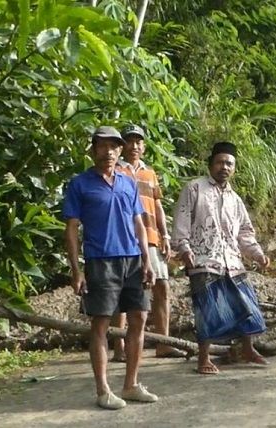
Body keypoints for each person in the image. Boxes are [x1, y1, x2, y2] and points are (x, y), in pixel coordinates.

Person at [63, 125, 159, 409]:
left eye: (114, 146)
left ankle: (130, 384)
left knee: (139, 318)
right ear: (93, 150)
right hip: (100, 260)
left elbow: (138, 223)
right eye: (103, 146)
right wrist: (76, 270)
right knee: (101, 324)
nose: (109, 151)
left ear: (120, 151)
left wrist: (146, 259)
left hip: (132, 259)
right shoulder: (80, 184)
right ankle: (103, 390)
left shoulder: (128, 182)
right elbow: (71, 229)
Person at [172, 141, 271, 375]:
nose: (224, 167)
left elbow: (245, 233)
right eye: (220, 162)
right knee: (207, 310)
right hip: (203, 260)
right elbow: (182, 221)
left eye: (229, 163)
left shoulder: (235, 199)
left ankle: (247, 349)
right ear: (210, 164)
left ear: (234, 168)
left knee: (247, 305)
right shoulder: (194, 189)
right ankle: (203, 358)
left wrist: (257, 254)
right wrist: (184, 248)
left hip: (233, 262)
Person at [110, 125, 187, 361]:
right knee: (123, 291)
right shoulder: (114, 171)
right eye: (130, 141)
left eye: (139, 142)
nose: (134, 146)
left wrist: (165, 235)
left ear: (144, 146)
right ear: (122, 146)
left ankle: (163, 342)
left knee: (161, 287)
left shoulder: (150, 173)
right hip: (124, 240)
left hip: (152, 239)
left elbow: (158, 206)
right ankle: (120, 347)